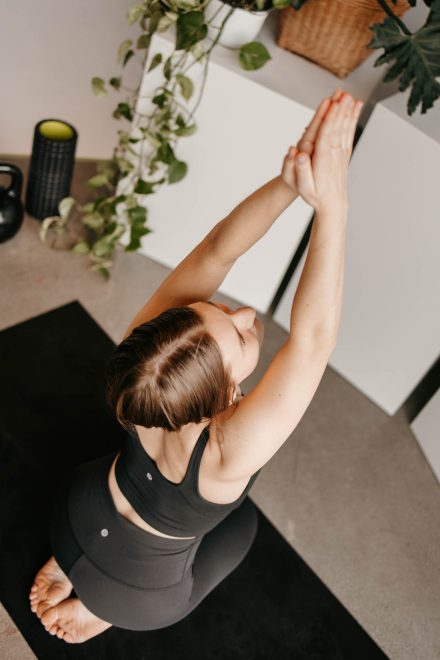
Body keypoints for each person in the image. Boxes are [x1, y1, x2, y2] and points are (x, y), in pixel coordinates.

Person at [28, 88, 363, 643]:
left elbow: (215, 249)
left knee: (131, 514)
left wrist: (289, 180)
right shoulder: (229, 453)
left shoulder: (144, 353)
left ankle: (72, 559)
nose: (247, 312)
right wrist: (334, 205)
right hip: (142, 593)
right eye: (236, 327)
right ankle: (101, 607)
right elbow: (313, 340)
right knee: (243, 528)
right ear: (227, 391)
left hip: (77, 507)